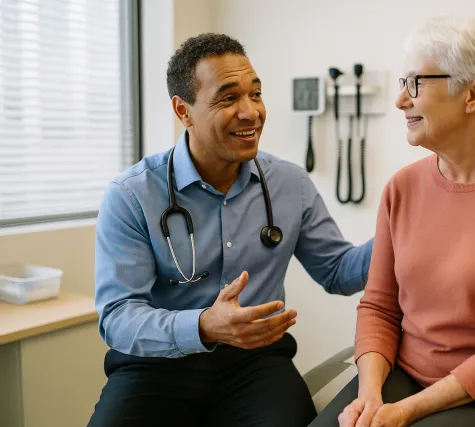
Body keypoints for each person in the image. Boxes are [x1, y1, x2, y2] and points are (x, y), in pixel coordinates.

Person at [88, 33, 373, 427]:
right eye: (228, 98)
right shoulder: (132, 195)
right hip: (156, 366)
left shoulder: (290, 184)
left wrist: (402, 231)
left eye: (255, 94)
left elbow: (338, 271)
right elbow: (118, 317)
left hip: (255, 365)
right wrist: (204, 325)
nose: (251, 112)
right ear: (183, 110)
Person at [310, 15, 475, 427]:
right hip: (407, 377)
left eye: (415, 84)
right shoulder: (401, 189)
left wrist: (406, 411)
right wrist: (370, 395)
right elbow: (380, 307)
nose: (400, 100)